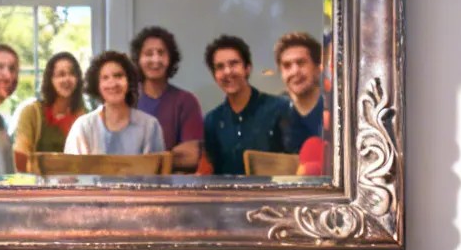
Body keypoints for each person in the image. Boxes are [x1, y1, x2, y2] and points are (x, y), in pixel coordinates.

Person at [200, 34, 288, 176]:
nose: (227, 72)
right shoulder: (212, 120)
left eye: (234, 64)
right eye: (220, 67)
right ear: (214, 75)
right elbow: (211, 170)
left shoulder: (279, 108)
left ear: (248, 68)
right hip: (228, 196)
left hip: (273, 195)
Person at [63, 51, 167, 158]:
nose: (112, 83)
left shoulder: (150, 126)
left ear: (129, 81)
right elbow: (70, 171)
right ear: (97, 85)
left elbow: (156, 173)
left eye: (118, 76)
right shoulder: (83, 126)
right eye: (105, 78)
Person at [130, 25, 204, 171]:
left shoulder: (186, 101)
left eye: (161, 53)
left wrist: (143, 159)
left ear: (170, 59)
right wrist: (170, 154)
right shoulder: (126, 100)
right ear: (138, 59)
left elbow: (191, 156)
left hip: (172, 188)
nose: (155, 59)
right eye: (148, 53)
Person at [13, 52, 85, 171]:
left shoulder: (83, 117)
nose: (67, 79)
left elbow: (86, 163)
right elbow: (20, 157)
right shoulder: (32, 112)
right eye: (61, 74)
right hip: (37, 185)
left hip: (74, 185)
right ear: (50, 79)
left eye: (72, 74)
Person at [275, 31, 325, 155]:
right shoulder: (275, 114)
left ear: (318, 68)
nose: (295, 71)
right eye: (287, 65)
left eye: (301, 63)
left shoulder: (338, 107)